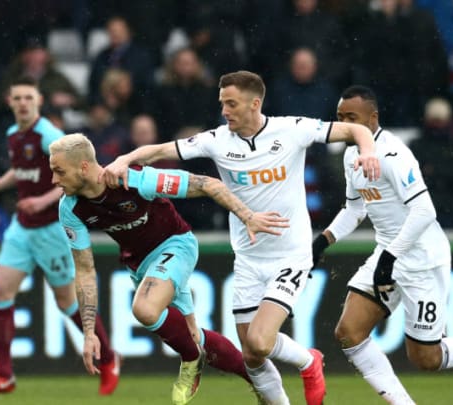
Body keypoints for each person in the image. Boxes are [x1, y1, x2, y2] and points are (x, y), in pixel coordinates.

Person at [102, 70, 382, 405]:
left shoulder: (292, 129)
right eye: (222, 103)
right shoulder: (217, 140)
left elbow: (355, 129)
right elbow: (160, 150)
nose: (225, 111)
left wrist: (368, 151)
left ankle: (309, 361)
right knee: (251, 357)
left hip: (289, 255)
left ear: (255, 103)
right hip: (248, 260)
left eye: (231, 104)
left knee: (261, 342)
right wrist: (124, 160)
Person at [50, 133, 289, 405]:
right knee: (193, 335)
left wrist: (249, 216)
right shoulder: (70, 208)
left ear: (83, 167)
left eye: (59, 171)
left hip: (176, 245)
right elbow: (84, 270)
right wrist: (90, 332)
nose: (54, 180)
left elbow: (206, 184)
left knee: (145, 309)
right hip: (140, 265)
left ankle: (190, 359)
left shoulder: (135, 180)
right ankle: (261, 382)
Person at [312, 85, 453, 404]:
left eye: (352, 117)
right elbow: (355, 208)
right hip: (389, 253)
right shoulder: (352, 154)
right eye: (340, 118)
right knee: (348, 332)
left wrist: (390, 255)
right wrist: (324, 240)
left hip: (422, 258)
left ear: (372, 118)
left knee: (425, 358)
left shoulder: (393, 154)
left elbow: (425, 211)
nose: (345, 124)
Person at [0, 76, 120, 396]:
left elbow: (74, 177)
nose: (23, 103)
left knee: (66, 301)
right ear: (10, 102)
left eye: (28, 98)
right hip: (22, 227)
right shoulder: (12, 134)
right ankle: (4, 374)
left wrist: (43, 200)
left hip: (52, 229)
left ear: (37, 101)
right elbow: (22, 173)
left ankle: (108, 359)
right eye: (17, 98)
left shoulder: (49, 135)